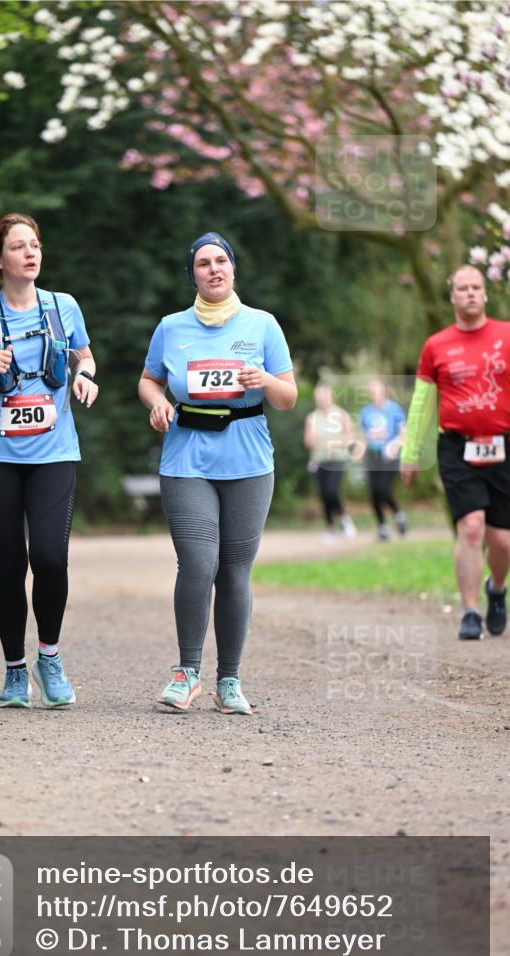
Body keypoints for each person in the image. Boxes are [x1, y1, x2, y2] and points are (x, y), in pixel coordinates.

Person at [138, 232, 297, 715]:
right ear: (193, 274)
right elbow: (148, 380)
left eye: (221, 260)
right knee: (198, 562)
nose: (214, 269)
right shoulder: (171, 328)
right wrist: (158, 402)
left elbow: (288, 397)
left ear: (233, 268)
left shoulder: (263, 325)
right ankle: (186, 673)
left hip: (248, 460)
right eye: (203, 263)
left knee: (234, 569)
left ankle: (229, 680)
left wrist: (264, 380)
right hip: (187, 458)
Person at [0, 213, 98, 707]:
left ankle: (48, 657)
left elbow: (85, 356)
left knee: (50, 557)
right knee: (9, 564)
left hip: (54, 452)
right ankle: (15, 670)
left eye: (35, 245)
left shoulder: (63, 306)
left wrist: (84, 375)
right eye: (18, 247)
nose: (30, 253)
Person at [401, 265, 510, 640]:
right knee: (471, 526)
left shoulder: (506, 335)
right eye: (462, 288)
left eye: (476, 287)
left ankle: (496, 589)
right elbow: (421, 403)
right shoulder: (436, 345)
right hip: (456, 446)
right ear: (452, 296)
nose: (470, 293)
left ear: (485, 293)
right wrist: (410, 452)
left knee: (503, 541)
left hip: (503, 445)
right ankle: (469, 612)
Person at [304, 383, 357, 542]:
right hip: (319, 460)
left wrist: (337, 442)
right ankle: (330, 529)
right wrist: (311, 439)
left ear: (331, 396)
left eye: (324, 396)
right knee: (324, 495)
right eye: (319, 397)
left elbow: (351, 437)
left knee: (331, 491)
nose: (322, 399)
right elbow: (307, 442)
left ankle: (344, 519)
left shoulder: (341, 414)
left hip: (337, 458)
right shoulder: (312, 417)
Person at [359, 378, 408, 541]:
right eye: (372, 391)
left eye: (377, 391)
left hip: (390, 456)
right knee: (374, 493)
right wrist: (359, 451)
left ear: (384, 391)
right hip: (372, 456)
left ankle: (398, 515)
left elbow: (403, 433)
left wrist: (394, 445)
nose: (375, 394)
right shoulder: (366, 412)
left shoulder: (394, 409)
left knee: (384, 490)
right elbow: (364, 436)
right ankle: (383, 527)